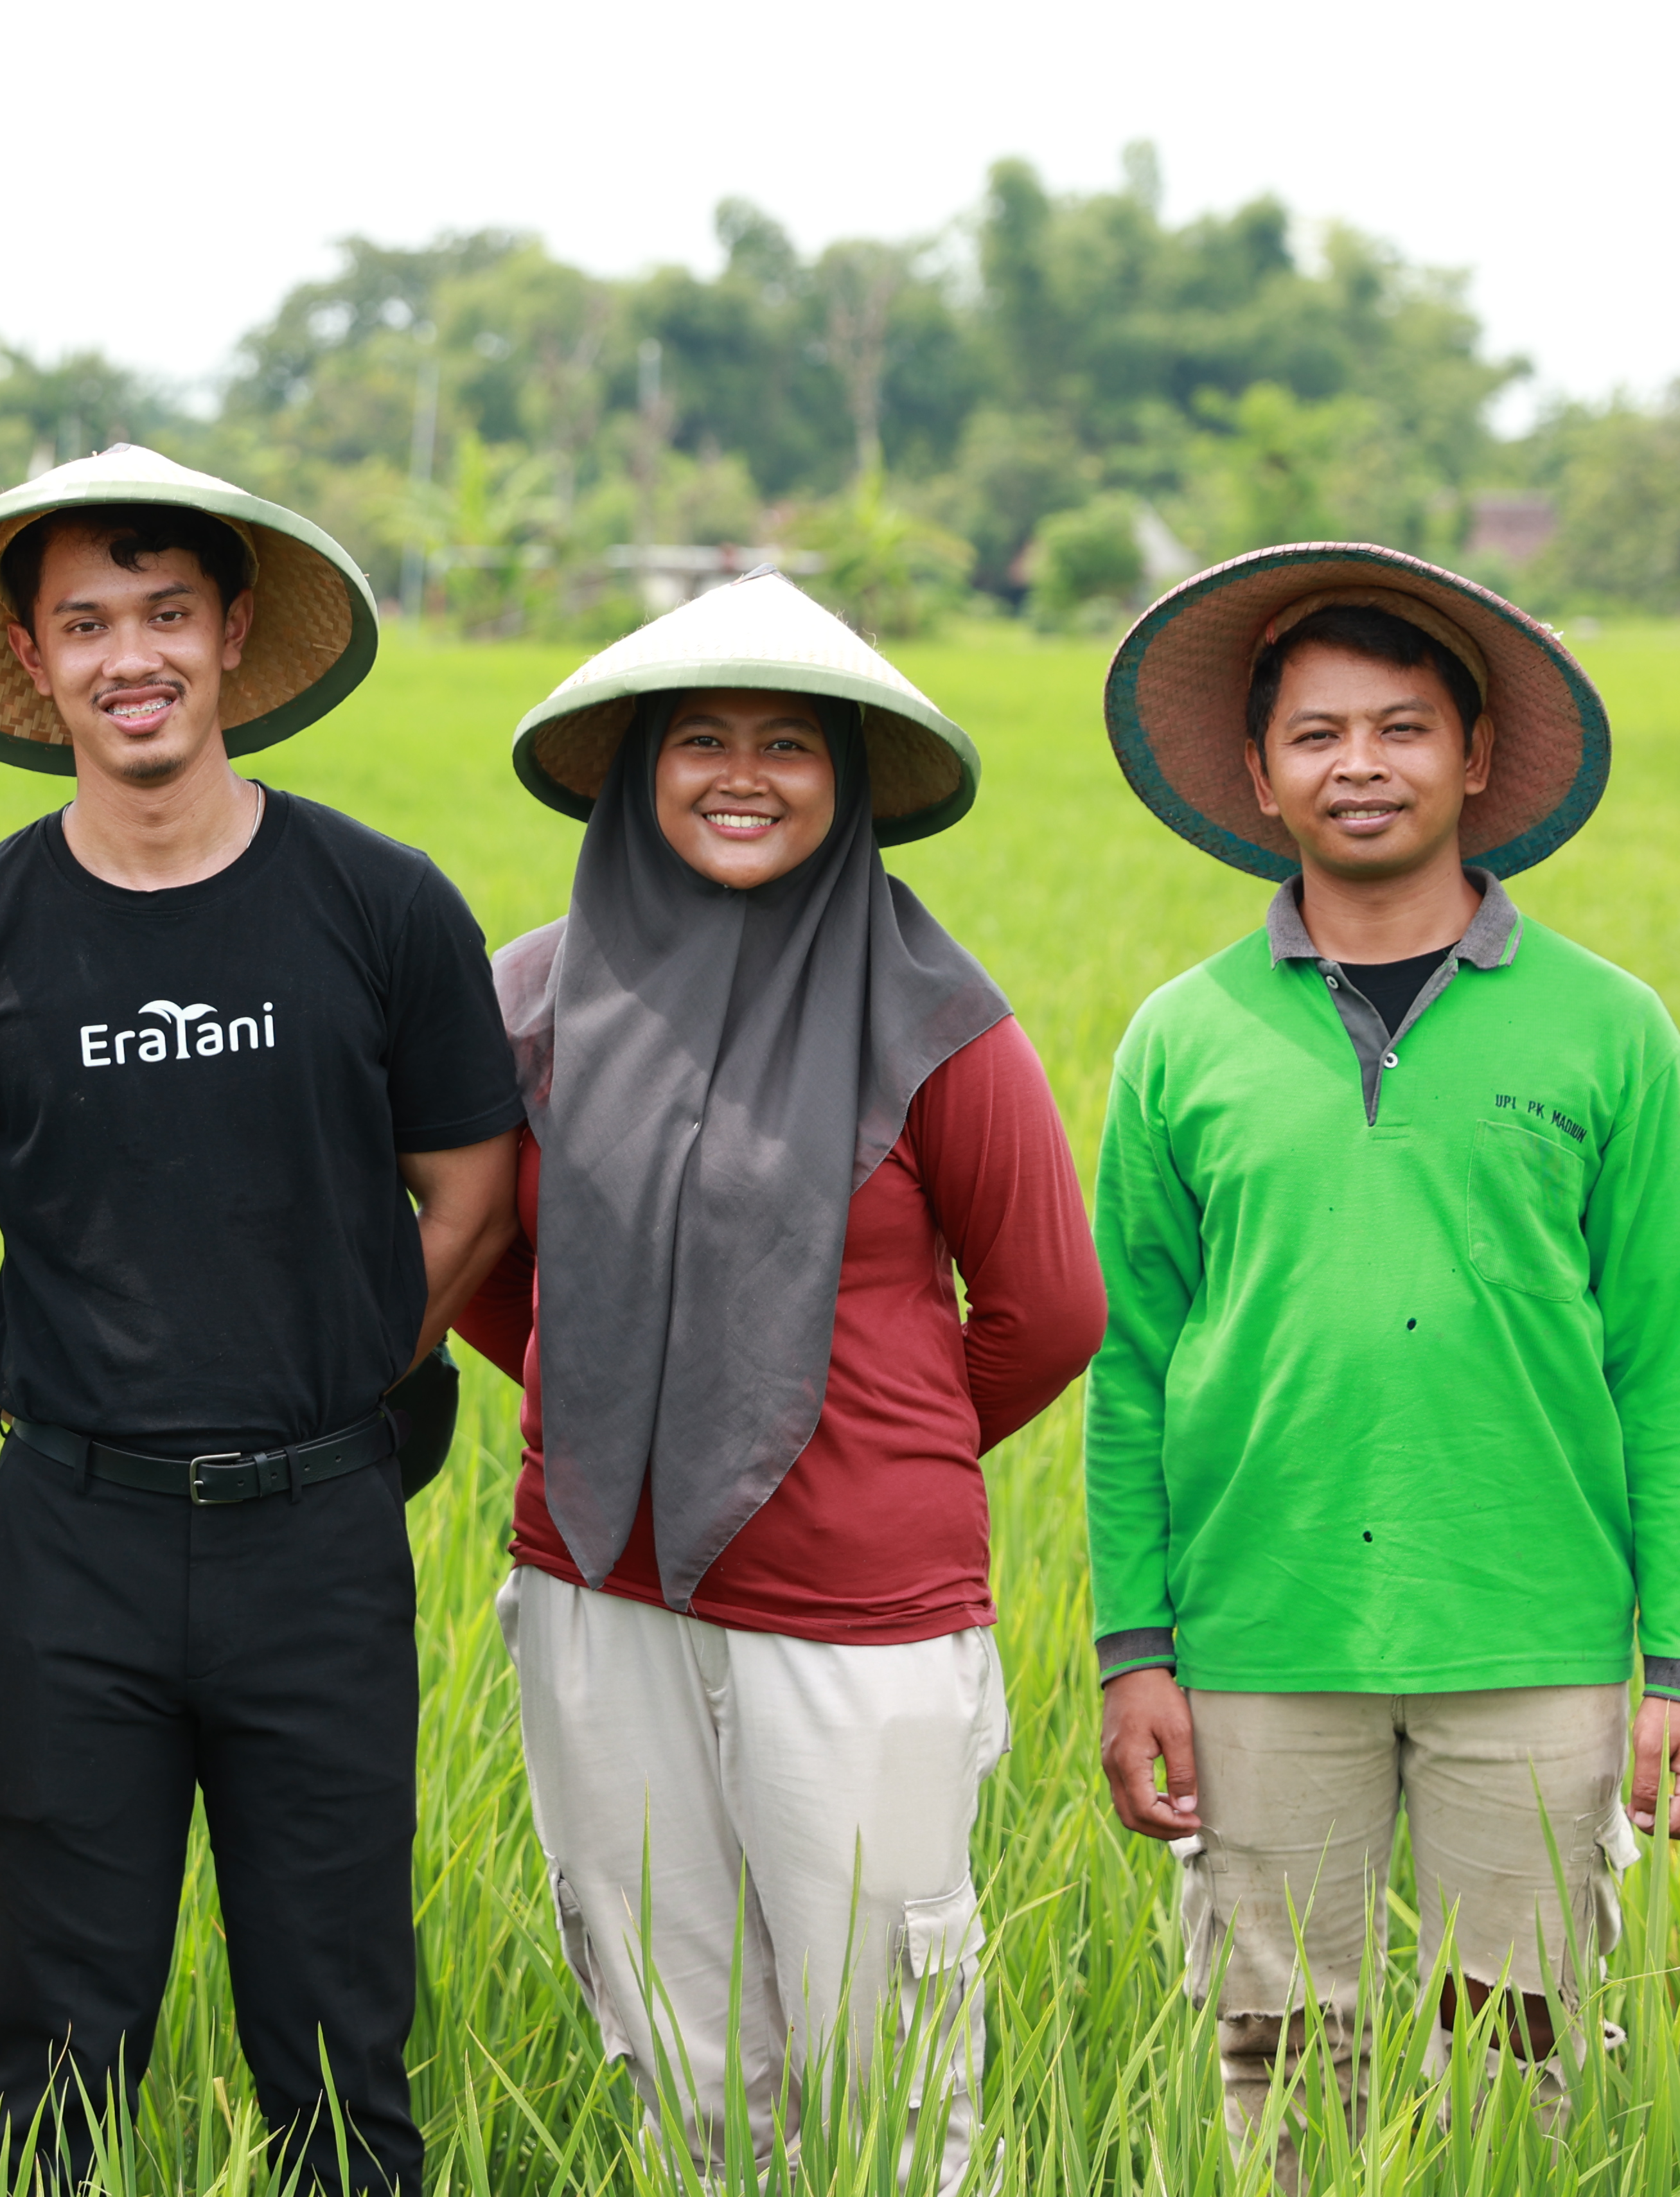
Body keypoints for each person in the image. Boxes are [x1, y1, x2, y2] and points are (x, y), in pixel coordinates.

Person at [0, 446, 522, 2193]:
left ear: (231, 634)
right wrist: (65, 1395)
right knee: (59, 2037)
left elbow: (473, 1192)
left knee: (337, 2030)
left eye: (165, 614)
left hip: (320, 1536)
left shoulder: (381, 906)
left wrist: (343, 1376)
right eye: (86, 623)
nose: (129, 655)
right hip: (73, 1549)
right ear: (31, 658)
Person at [1084, 543, 1680, 2180]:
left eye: (1401, 728)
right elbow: (1131, 1365)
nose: (1358, 766)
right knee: (1280, 2069)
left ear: (1475, 759)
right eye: (1316, 735)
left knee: (1521, 2072)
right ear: (1258, 775)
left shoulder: (1608, 1027)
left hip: (1532, 1628)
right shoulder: (1185, 1036)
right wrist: (1132, 1646)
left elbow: (1666, 1365)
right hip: (1260, 1629)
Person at [453, 573, 1104, 2190]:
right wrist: (611, 1408)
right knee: (680, 2053)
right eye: (701, 740)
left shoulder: (940, 1021)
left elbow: (1049, 1308)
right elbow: (475, 1260)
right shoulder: (528, 1005)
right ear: (636, 769)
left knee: (885, 2062)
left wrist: (861, 1440)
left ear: (852, 781)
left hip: (863, 1612)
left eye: (791, 745)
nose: (744, 773)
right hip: (601, 1588)